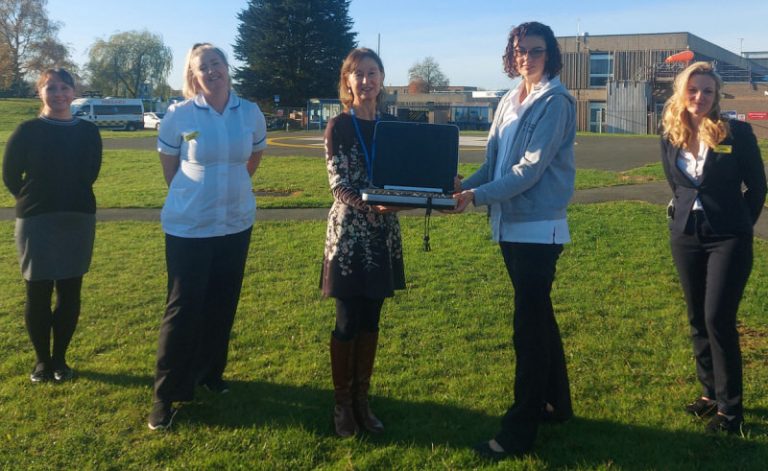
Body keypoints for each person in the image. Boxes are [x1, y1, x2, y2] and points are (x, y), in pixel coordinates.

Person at [451, 22, 576, 459]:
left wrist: (476, 197)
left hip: (538, 230)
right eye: (520, 50)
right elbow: (494, 164)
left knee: (528, 330)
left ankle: (518, 432)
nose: (526, 57)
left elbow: (530, 170)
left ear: (551, 54)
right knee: (540, 320)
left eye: (536, 51)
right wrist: (462, 188)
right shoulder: (508, 100)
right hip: (509, 227)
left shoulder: (555, 102)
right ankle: (557, 404)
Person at [148, 43, 267, 430]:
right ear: (193, 76)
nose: (212, 71)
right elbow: (171, 168)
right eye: (203, 67)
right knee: (182, 310)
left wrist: (231, 189)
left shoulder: (249, 112)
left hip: (235, 224)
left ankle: (210, 374)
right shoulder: (179, 115)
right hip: (190, 226)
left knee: (222, 303)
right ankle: (166, 395)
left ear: (227, 67)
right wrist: (194, 195)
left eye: (216, 63)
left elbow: (253, 158)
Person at [660, 61, 766, 435]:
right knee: (696, 318)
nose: (700, 97)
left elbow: (757, 188)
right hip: (686, 234)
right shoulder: (670, 132)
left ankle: (730, 410)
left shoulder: (735, 132)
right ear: (682, 92)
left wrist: (739, 224)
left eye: (707, 91)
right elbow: (676, 183)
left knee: (718, 318)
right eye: (693, 89)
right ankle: (708, 395)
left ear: (716, 95)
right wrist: (685, 216)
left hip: (728, 237)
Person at [321, 47, 405, 437]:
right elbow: (338, 183)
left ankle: (362, 400)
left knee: (371, 318)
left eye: (373, 73)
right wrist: (374, 205)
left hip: (383, 234)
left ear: (382, 79)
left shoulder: (392, 127)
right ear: (348, 82)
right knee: (347, 319)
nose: (367, 81)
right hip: (350, 235)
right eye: (359, 74)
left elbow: (407, 175)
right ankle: (342, 404)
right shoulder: (338, 126)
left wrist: (432, 190)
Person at [3, 69, 102, 383]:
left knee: (70, 291)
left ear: (73, 93)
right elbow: (9, 175)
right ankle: (42, 362)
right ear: (40, 93)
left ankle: (60, 359)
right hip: (36, 219)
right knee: (38, 290)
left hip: (77, 216)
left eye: (64, 87)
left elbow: (91, 172)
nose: (58, 93)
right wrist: (35, 200)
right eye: (51, 88)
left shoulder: (88, 132)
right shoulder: (27, 130)